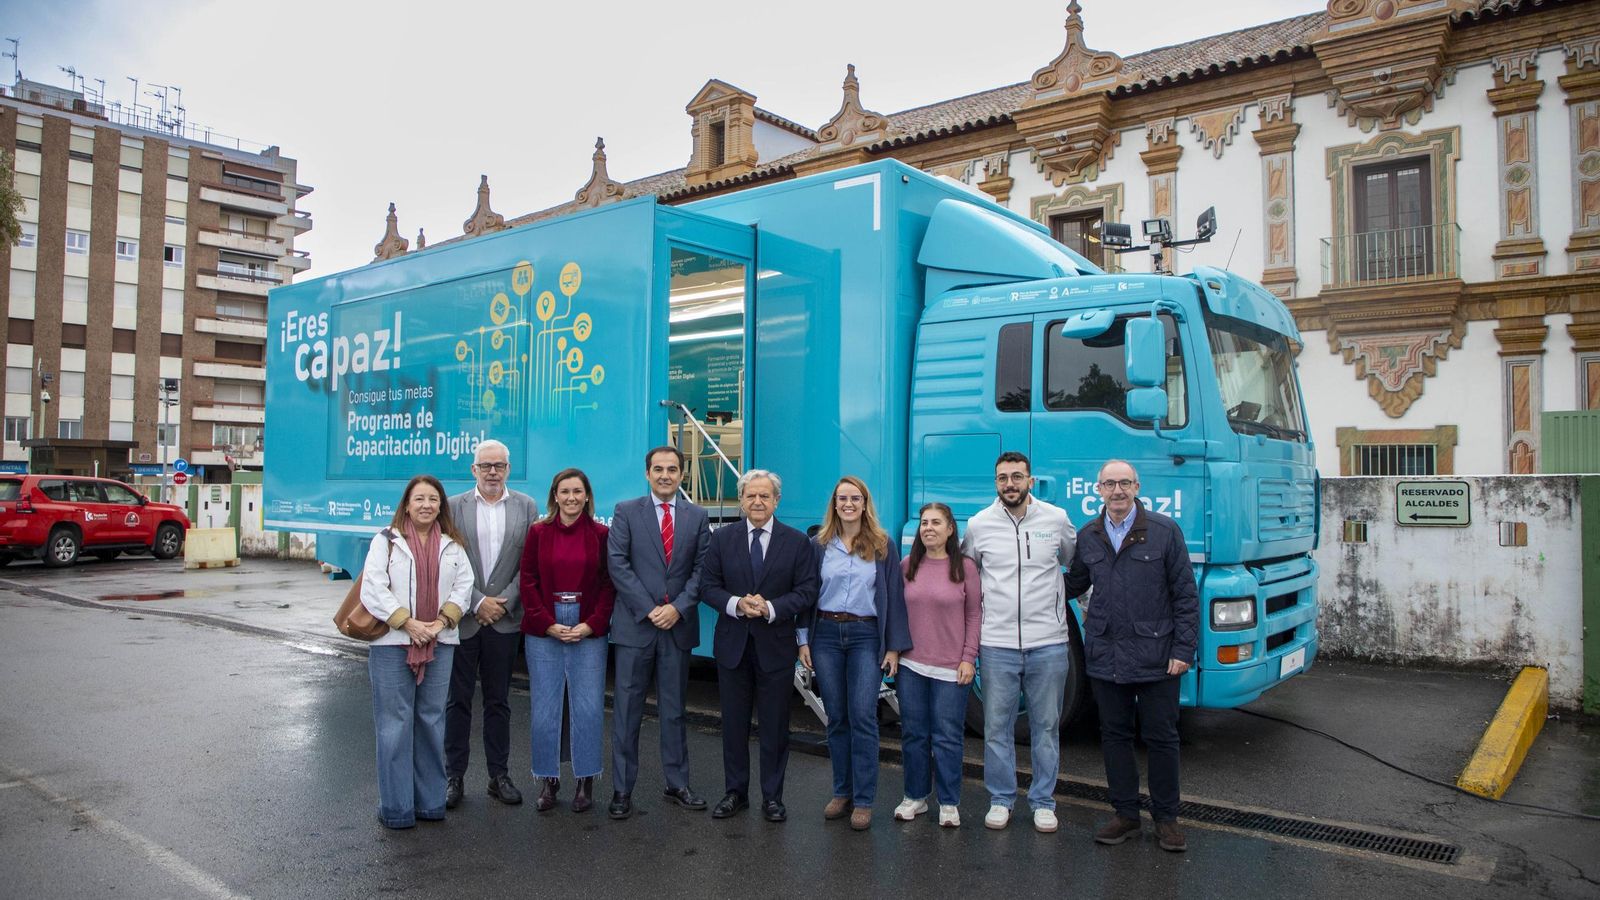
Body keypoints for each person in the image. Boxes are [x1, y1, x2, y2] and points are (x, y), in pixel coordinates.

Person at [1064, 460, 1198, 852]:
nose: (1117, 490)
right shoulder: (1089, 535)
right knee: (1115, 736)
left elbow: (1186, 596)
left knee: (1161, 738)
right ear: (1099, 489)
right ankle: (1125, 815)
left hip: (1158, 655)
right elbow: (1073, 584)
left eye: (1125, 483)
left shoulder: (1163, 531)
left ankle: (1167, 820)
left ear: (1137, 487)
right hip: (1107, 654)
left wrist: (1183, 650)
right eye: (1110, 484)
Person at [961, 451, 1076, 833]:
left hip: (1049, 643)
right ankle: (1001, 798)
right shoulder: (979, 525)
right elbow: (968, 574)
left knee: (1045, 726)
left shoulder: (1055, 519)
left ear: (1031, 479)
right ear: (995, 483)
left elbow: (1074, 563)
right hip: (997, 644)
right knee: (996, 727)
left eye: (1016, 477)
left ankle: (1043, 801)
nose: (1009, 484)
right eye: (1002, 478)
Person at [702, 469, 818, 823]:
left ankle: (772, 797)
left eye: (764, 496)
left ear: (776, 500)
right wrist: (738, 603)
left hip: (775, 645)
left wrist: (769, 608)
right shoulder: (722, 539)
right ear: (741, 500)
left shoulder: (797, 542)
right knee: (734, 725)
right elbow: (708, 585)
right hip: (733, 646)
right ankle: (735, 792)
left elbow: (807, 590)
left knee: (774, 726)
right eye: (751, 496)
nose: (757, 502)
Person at [359, 474, 475, 829]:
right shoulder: (386, 541)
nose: (427, 505)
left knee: (430, 722)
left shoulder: (453, 546)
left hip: (439, 642)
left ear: (441, 506)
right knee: (395, 725)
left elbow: (464, 587)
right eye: (419, 499)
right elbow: (373, 587)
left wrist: (438, 625)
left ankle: (430, 803)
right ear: (406, 505)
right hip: (393, 643)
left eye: (433, 499)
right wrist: (408, 624)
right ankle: (397, 808)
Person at [796, 476, 911, 831]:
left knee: (863, 715)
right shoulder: (818, 545)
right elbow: (806, 593)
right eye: (842, 498)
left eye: (855, 498)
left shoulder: (882, 545)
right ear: (834, 503)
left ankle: (864, 800)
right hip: (826, 635)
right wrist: (803, 640)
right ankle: (841, 792)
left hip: (865, 634)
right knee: (837, 717)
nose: (848, 504)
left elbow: (893, 596)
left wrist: (892, 646)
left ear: (865, 503)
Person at [605, 446, 712, 819]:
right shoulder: (626, 511)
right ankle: (621, 790)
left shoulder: (697, 516)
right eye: (658, 469)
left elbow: (702, 570)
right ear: (646, 473)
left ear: (682, 474)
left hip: (676, 628)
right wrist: (649, 609)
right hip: (636, 627)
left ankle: (677, 783)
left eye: (672, 469)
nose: (665, 475)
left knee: (674, 711)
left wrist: (677, 608)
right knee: (626, 712)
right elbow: (617, 564)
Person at [444, 439, 539, 810]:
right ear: (474, 470)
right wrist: (477, 602)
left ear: (509, 469)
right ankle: (454, 776)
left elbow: (528, 563)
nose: (493, 472)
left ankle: (498, 775)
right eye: (486, 466)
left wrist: (504, 602)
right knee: (458, 701)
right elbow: (447, 562)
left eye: (499, 465)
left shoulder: (526, 506)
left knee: (499, 701)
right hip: (464, 619)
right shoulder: (453, 507)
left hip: (504, 619)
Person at [519, 468, 615, 814]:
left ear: (587, 496)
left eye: (578, 491)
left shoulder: (602, 534)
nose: (571, 498)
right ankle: (549, 780)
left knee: (587, 708)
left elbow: (608, 584)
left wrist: (592, 625)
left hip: (587, 629)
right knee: (546, 709)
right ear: (554, 496)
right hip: (545, 628)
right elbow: (527, 580)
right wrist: (547, 624)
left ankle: (585, 780)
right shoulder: (538, 533)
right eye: (565, 492)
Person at [893, 502, 981, 828]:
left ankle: (948, 801)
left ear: (950, 529)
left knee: (947, 737)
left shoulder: (965, 568)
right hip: (912, 665)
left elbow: (974, 615)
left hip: (951, 667)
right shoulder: (907, 566)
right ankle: (915, 798)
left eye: (936, 522)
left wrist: (968, 658)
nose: (928, 527)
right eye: (924, 522)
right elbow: (897, 614)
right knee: (914, 735)